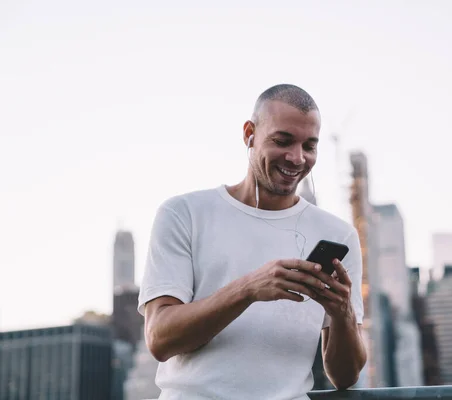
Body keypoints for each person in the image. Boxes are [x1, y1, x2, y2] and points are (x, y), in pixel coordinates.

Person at [138, 84, 366, 400]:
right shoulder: (183, 214)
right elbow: (160, 339)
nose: (297, 158)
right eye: (282, 141)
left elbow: (344, 377)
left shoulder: (338, 234)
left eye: (309, 146)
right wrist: (247, 289)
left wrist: (343, 314)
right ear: (249, 133)